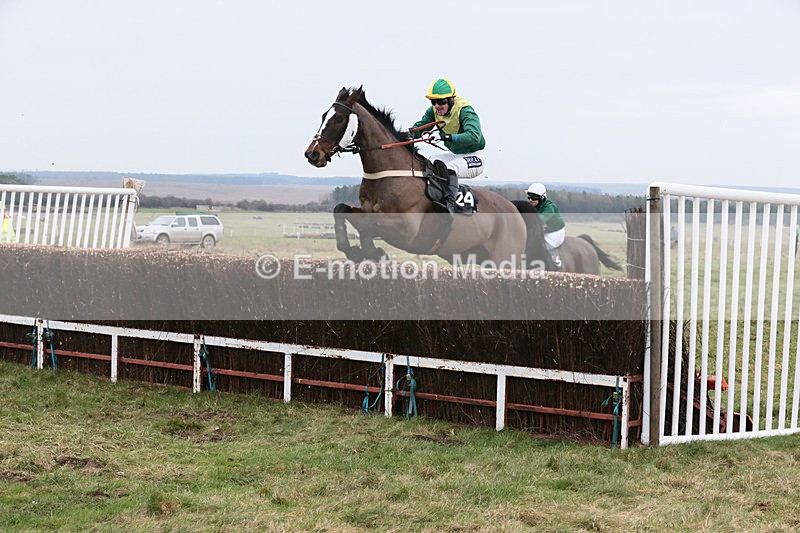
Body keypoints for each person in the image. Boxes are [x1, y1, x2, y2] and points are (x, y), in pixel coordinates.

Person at [412, 78, 486, 215]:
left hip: (474, 156)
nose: (437, 106)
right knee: (431, 161)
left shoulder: (465, 110)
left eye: (441, 102)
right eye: (433, 102)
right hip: (454, 154)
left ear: (452, 99)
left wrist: (446, 137)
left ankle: (449, 207)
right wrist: (404, 135)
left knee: (450, 168)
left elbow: (474, 136)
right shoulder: (433, 111)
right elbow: (420, 128)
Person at [527, 183, 565, 269]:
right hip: (544, 230)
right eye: (529, 197)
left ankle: (555, 261)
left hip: (555, 233)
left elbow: (539, 221)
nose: (530, 200)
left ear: (542, 197)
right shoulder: (534, 205)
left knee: (540, 245)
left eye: (534, 198)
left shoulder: (549, 207)